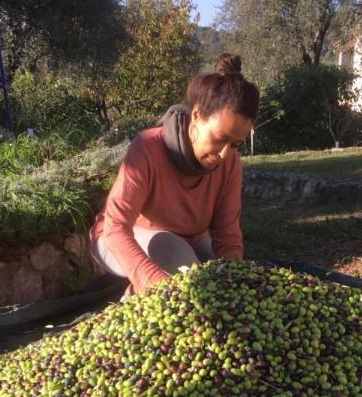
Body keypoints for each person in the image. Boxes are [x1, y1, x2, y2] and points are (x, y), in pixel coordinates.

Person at [90, 54, 260, 295]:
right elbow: (115, 228)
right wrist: (153, 282)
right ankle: (133, 309)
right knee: (181, 262)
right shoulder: (148, 148)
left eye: (235, 144)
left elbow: (227, 237)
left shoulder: (229, 162)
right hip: (114, 239)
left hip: (189, 239)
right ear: (197, 116)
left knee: (223, 273)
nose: (224, 154)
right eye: (220, 139)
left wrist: (238, 286)